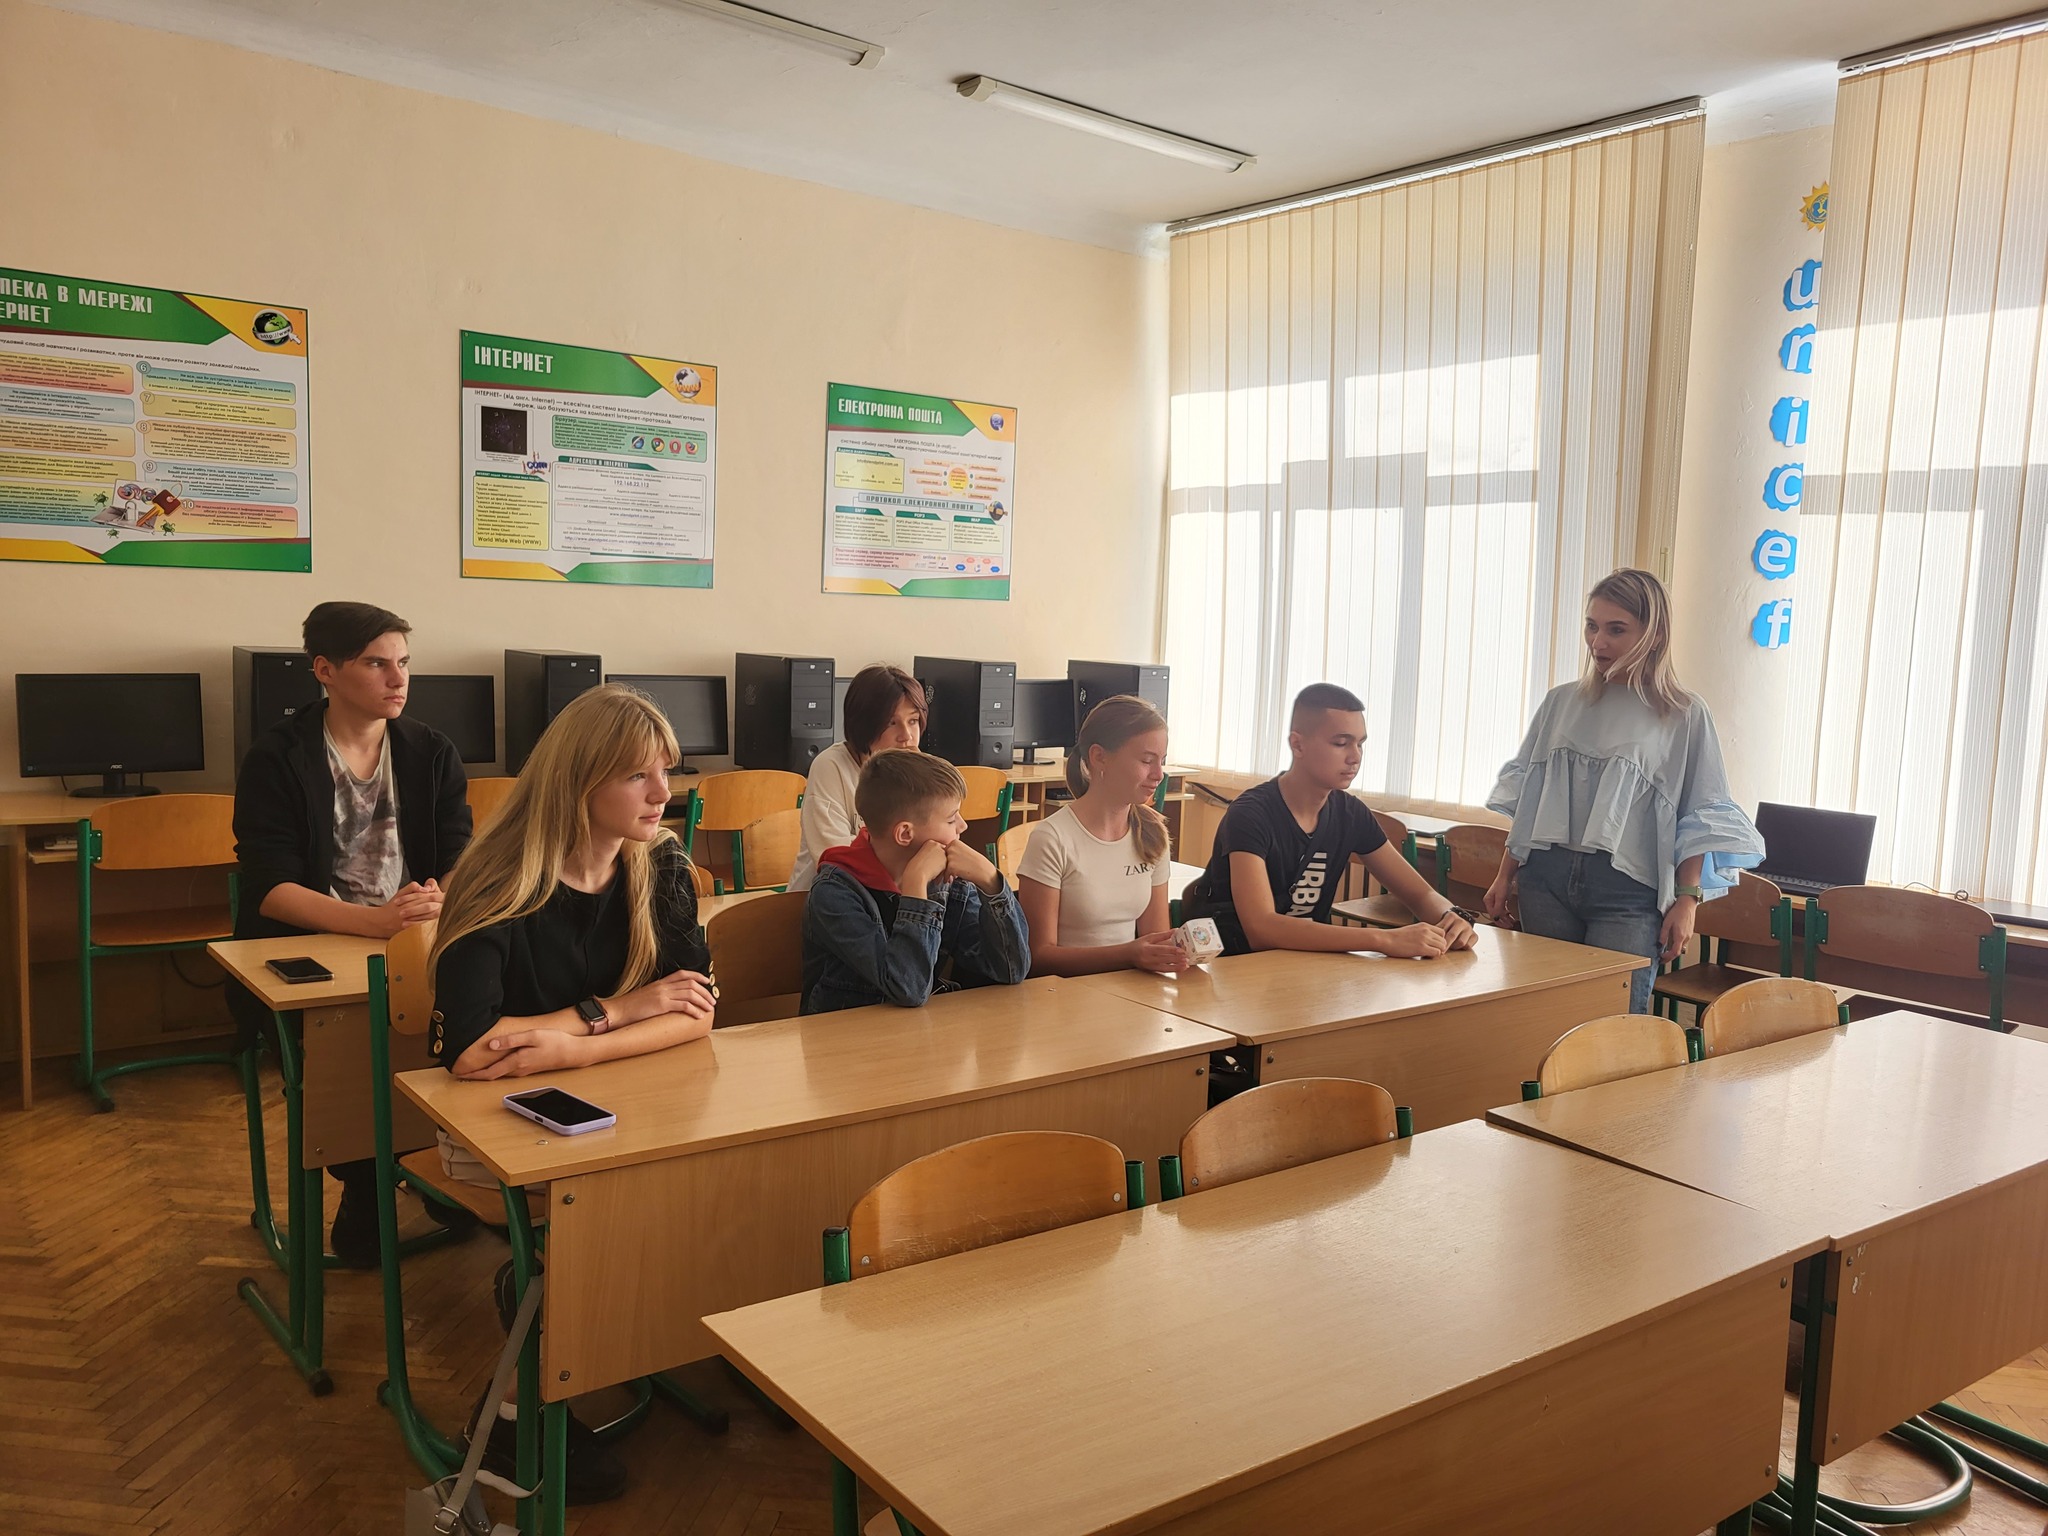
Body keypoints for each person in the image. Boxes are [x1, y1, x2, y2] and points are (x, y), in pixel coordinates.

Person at [427, 683, 716, 1505]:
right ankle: (514, 1407)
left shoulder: (660, 865)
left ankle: (579, 1328)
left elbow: (696, 1012)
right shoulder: (499, 878)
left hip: (622, 1102)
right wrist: (616, 1011)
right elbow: (472, 1054)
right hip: (494, 1126)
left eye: (666, 771)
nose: (662, 793)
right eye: (638, 776)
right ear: (579, 782)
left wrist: (575, 1042)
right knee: (613, 1204)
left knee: (711, 1181)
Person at [232, 601, 471, 1268]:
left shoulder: (430, 751)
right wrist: (374, 921)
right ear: (325, 671)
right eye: (376, 664)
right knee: (357, 1059)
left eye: (404, 663)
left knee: (467, 1026)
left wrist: (437, 900)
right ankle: (368, 1189)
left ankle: (437, 1166)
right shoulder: (278, 757)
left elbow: (460, 854)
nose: (398, 679)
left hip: (410, 941)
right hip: (312, 944)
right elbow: (269, 888)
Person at [1484, 568, 1763, 1014]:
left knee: (1614, 1025)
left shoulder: (1684, 714)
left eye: (1616, 630)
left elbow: (1700, 812)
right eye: (1592, 626)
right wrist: (1505, 875)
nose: (1598, 642)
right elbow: (1531, 799)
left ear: (1654, 635)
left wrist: (1687, 901)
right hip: (1545, 879)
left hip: (1629, 891)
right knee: (1544, 1017)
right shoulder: (1560, 702)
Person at [1178, 683, 1476, 959]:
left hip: (1310, 965)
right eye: (1341, 743)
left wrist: (1453, 918)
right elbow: (1261, 929)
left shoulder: (1350, 813)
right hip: (1237, 966)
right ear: (1298, 745)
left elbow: (1421, 894)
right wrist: (1383, 939)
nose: (1355, 757)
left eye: (1360, 744)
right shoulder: (1250, 813)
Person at [801, 748, 1029, 1013]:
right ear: (905, 833)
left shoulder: (948, 882)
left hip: (920, 1031)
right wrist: (916, 884)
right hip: (845, 1034)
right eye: (951, 818)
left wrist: (991, 881)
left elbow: (1011, 970)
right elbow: (908, 988)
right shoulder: (834, 894)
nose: (963, 826)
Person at [1017, 695, 1190, 977]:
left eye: (1162, 761)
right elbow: (1038, 957)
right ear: (1099, 757)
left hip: (1131, 990)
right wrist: (1129, 955)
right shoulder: (1052, 838)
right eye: (1147, 761)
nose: (1159, 774)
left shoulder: (1152, 832)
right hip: (1065, 993)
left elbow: (1156, 939)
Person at [789, 664, 927, 892]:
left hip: (893, 898)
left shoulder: (920, 772)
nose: (906, 736)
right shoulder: (831, 766)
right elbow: (836, 858)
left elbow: (941, 843)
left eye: (913, 721)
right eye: (891, 723)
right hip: (830, 899)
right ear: (864, 724)